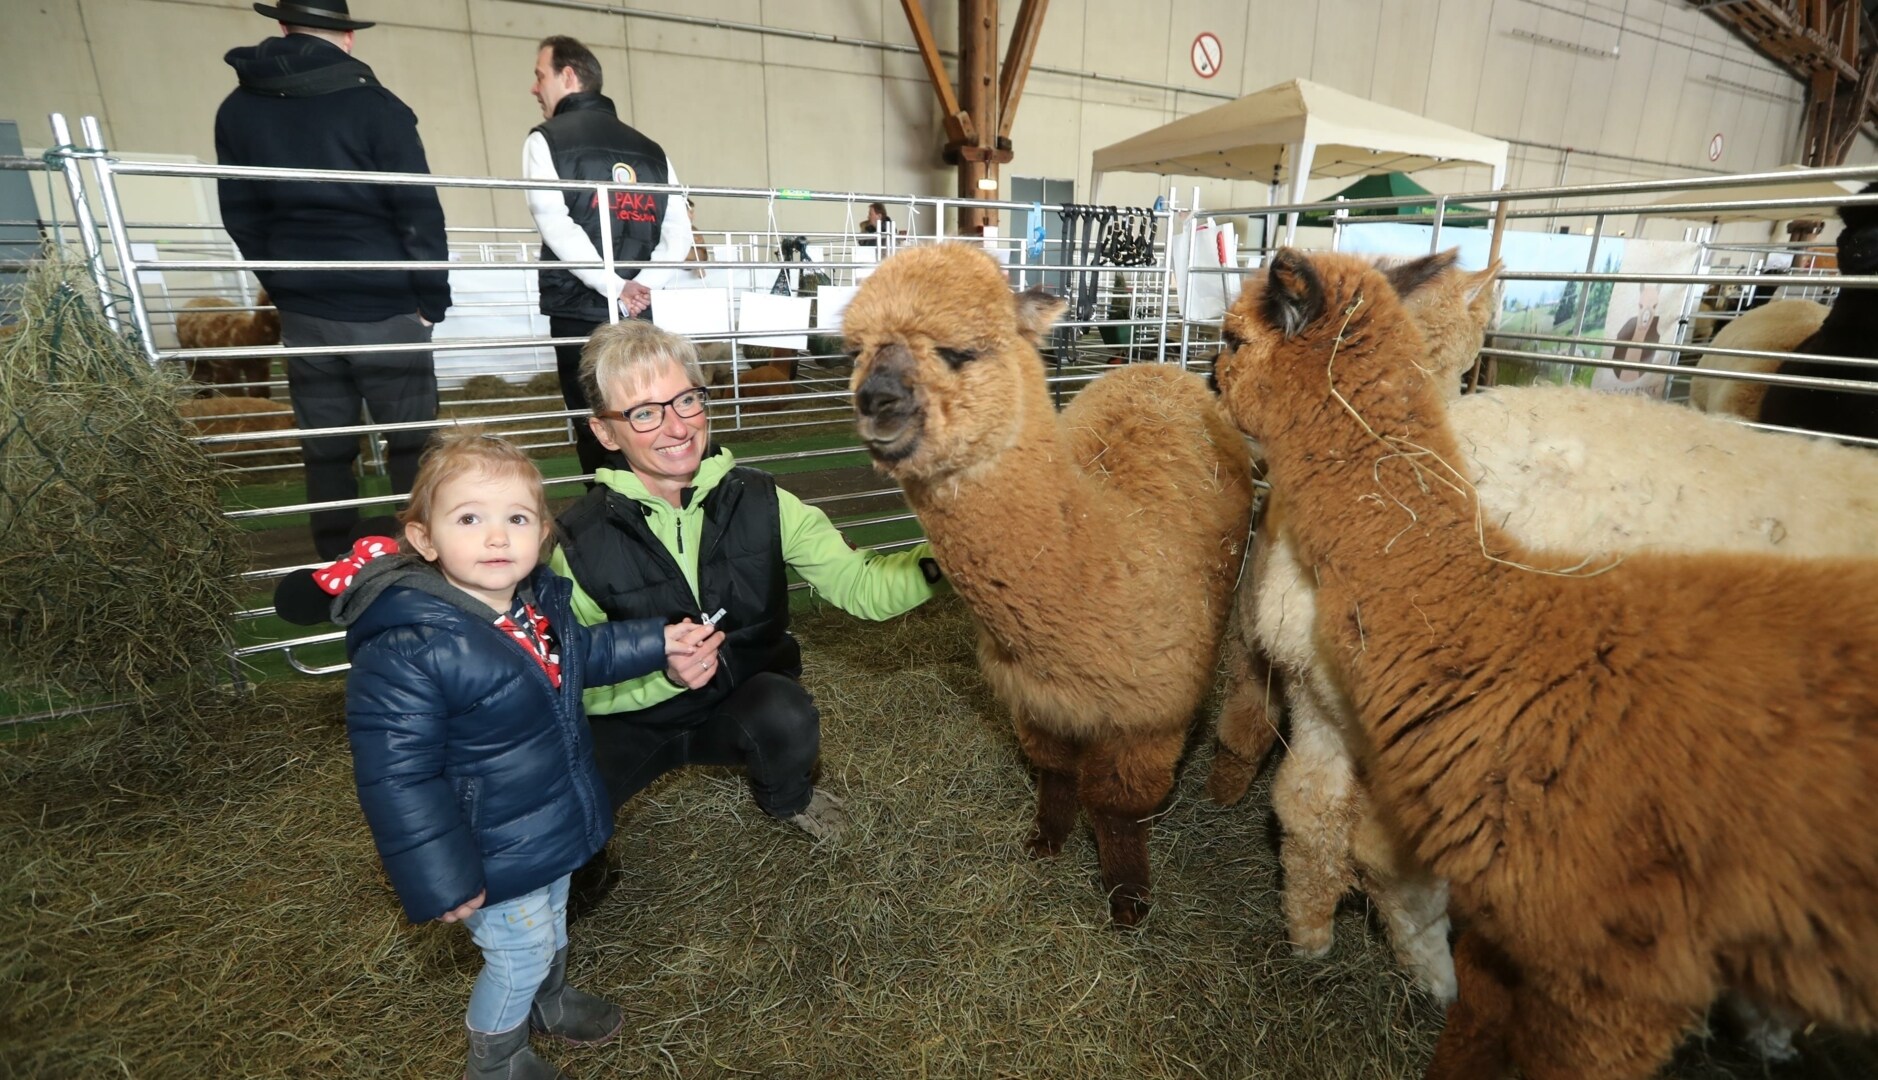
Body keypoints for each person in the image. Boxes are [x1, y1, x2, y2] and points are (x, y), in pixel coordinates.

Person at [332, 430, 723, 1078]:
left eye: (515, 518)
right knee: (516, 953)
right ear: (425, 539)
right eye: (469, 518)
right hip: (485, 847)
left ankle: (547, 1002)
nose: (495, 537)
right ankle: (497, 1060)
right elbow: (397, 775)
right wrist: (440, 873)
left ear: (541, 532)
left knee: (550, 927)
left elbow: (587, 656)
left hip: (546, 822)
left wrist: (661, 641)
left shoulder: (535, 606)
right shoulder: (408, 648)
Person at [549, 320, 942, 876]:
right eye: (645, 412)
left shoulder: (763, 501)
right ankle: (582, 861)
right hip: (630, 717)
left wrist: (947, 556)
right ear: (606, 433)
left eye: (686, 399)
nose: (677, 426)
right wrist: (662, 675)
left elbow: (862, 586)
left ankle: (788, 798)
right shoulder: (579, 542)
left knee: (786, 715)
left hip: (738, 697)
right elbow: (573, 676)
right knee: (563, 809)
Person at [214, 0, 451, 559]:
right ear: (346, 36)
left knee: (325, 445)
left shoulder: (237, 110)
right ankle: (419, 558)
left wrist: (286, 284)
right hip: (385, 303)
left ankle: (334, 563)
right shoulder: (376, 107)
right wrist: (430, 303)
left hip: (304, 310)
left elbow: (240, 214)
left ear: (280, 28)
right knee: (412, 442)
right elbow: (417, 209)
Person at [524, 34, 695, 480]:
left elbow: (555, 222)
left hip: (580, 309)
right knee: (648, 408)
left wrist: (613, 286)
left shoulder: (546, 141)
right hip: (644, 311)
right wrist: (643, 286)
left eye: (540, 76)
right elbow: (679, 229)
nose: (535, 88)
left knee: (593, 417)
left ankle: (607, 520)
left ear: (568, 75)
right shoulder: (652, 150)